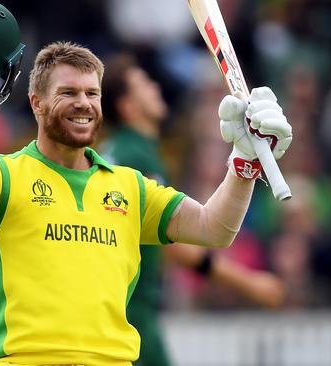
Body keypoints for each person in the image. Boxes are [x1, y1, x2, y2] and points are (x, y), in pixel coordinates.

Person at [0, 38, 292, 365]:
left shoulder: (130, 186)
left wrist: (243, 164)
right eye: (68, 92)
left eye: (92, 93)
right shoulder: (1, 174)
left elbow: (213, 229)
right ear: (36, 102)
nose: (83, 103)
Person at [100, 53, 285, 366]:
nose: (155, 87)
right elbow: (174, 243)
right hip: (133, 312)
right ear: (128, 107)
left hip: (120, 307)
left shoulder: (120, 151)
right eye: (143, 84)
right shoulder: (136, 156)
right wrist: (248, 283)